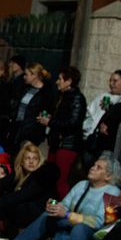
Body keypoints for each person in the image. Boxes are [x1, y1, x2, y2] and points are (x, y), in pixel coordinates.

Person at [0, 142, 59, 240]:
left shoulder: (42, 174)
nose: (31, 162)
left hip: (47, 208)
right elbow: (2, 182)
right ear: (22, 162)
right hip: (33, 208)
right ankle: (8, 233)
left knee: (15, 203)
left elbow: (26, 194)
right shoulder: (20, 173)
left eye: (35, 158)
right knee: (6, 197)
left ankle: (16, 238)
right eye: (28, 158)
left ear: (39, 161)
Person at [38, 66, 86, 197]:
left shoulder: (77, 98)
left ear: (69, 81)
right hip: (56, 143)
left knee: (60, 181)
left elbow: (73, 122)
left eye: (60, 79)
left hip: (67, 144)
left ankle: (64, 211)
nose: (57, 82)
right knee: (50, 178)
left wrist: (50, 122)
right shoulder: (62, 96)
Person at [8, 62, 54, 148]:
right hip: (18, 128)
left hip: (30, 132)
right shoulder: (25, 89)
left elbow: (44, 113)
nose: (24, 77)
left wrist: (34, 135)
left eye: (26, 74)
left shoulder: (45, 93)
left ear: (34, 75)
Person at [82, 69, 121, 138]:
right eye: (110, 81)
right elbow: (89, 112)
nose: (111, 83)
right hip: (90, 136)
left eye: (115, 81)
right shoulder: (103, 96)